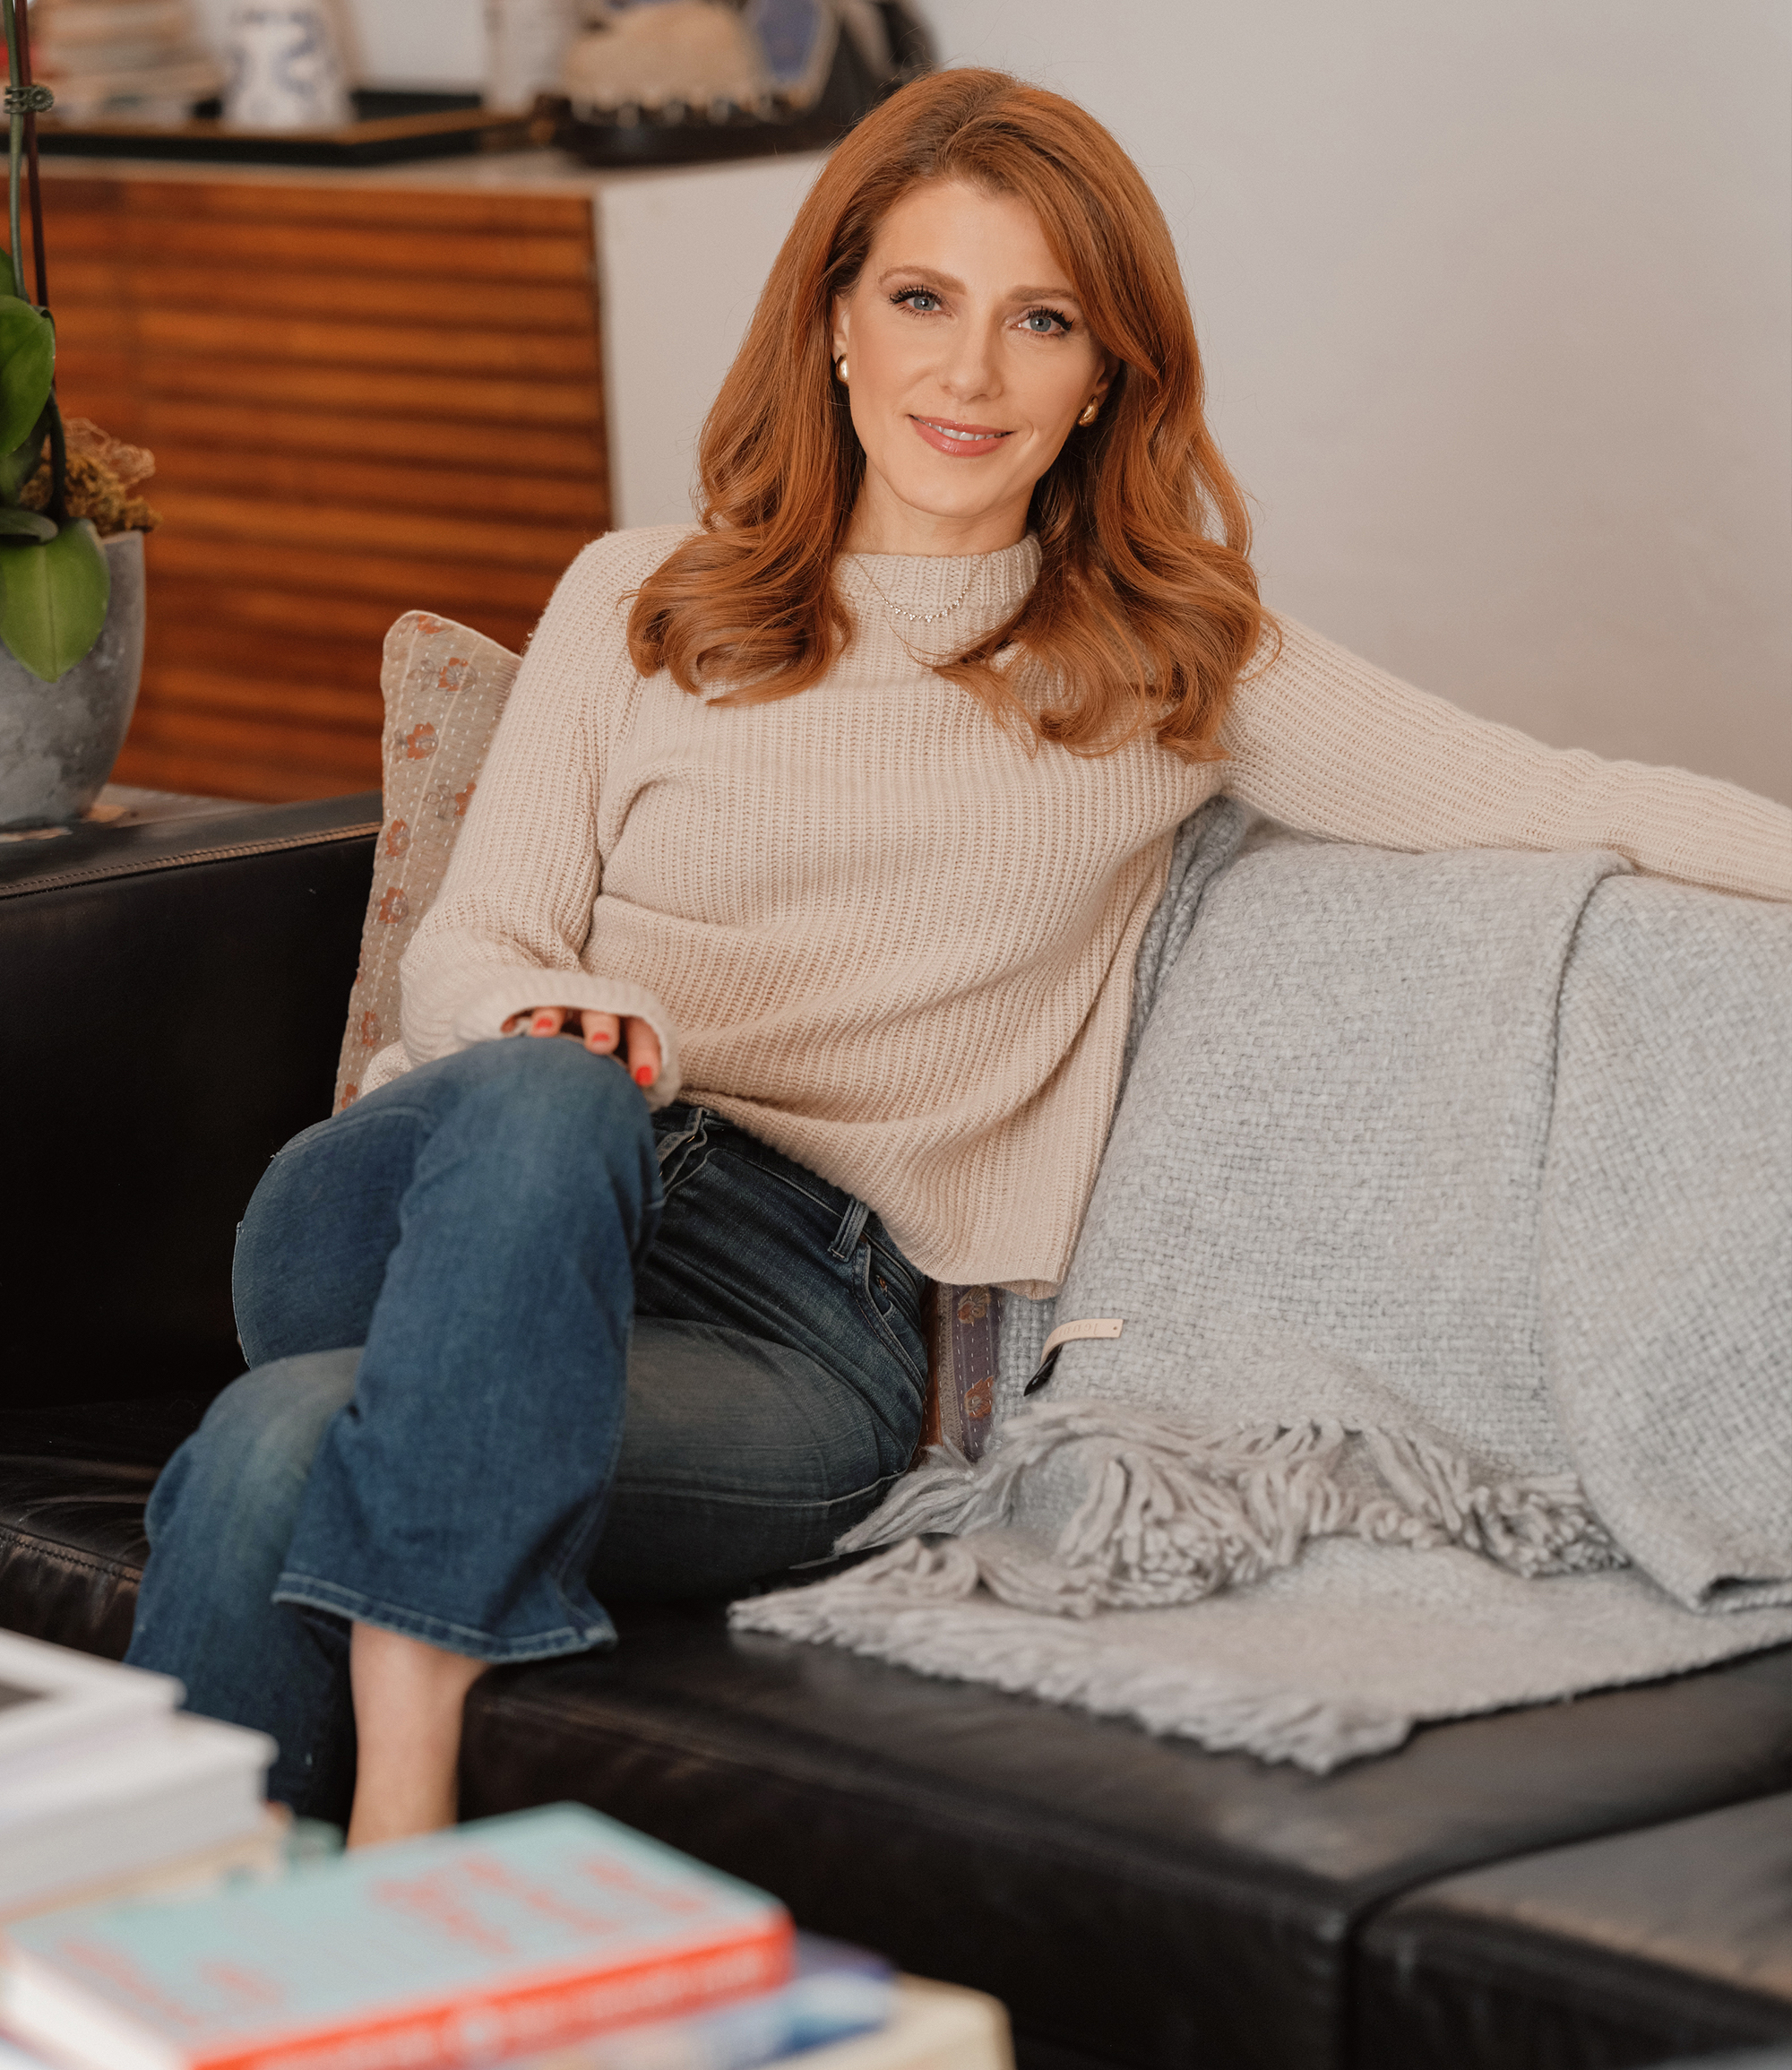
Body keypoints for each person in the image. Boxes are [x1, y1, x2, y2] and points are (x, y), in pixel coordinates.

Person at [125, 70, 1792, 1847]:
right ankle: (409, 1808)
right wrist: (537, 1017)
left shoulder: (1166, 666)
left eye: (1040, 320)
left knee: (274, 1449)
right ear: (835, 323)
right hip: (433, 1200)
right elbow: (477, 941)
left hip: (789, 1329)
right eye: (921, 299)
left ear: (1105, 377)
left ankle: (174, 2001)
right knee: (546, 1094)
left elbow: (1548, 796)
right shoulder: (640, 598)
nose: (969, 374)